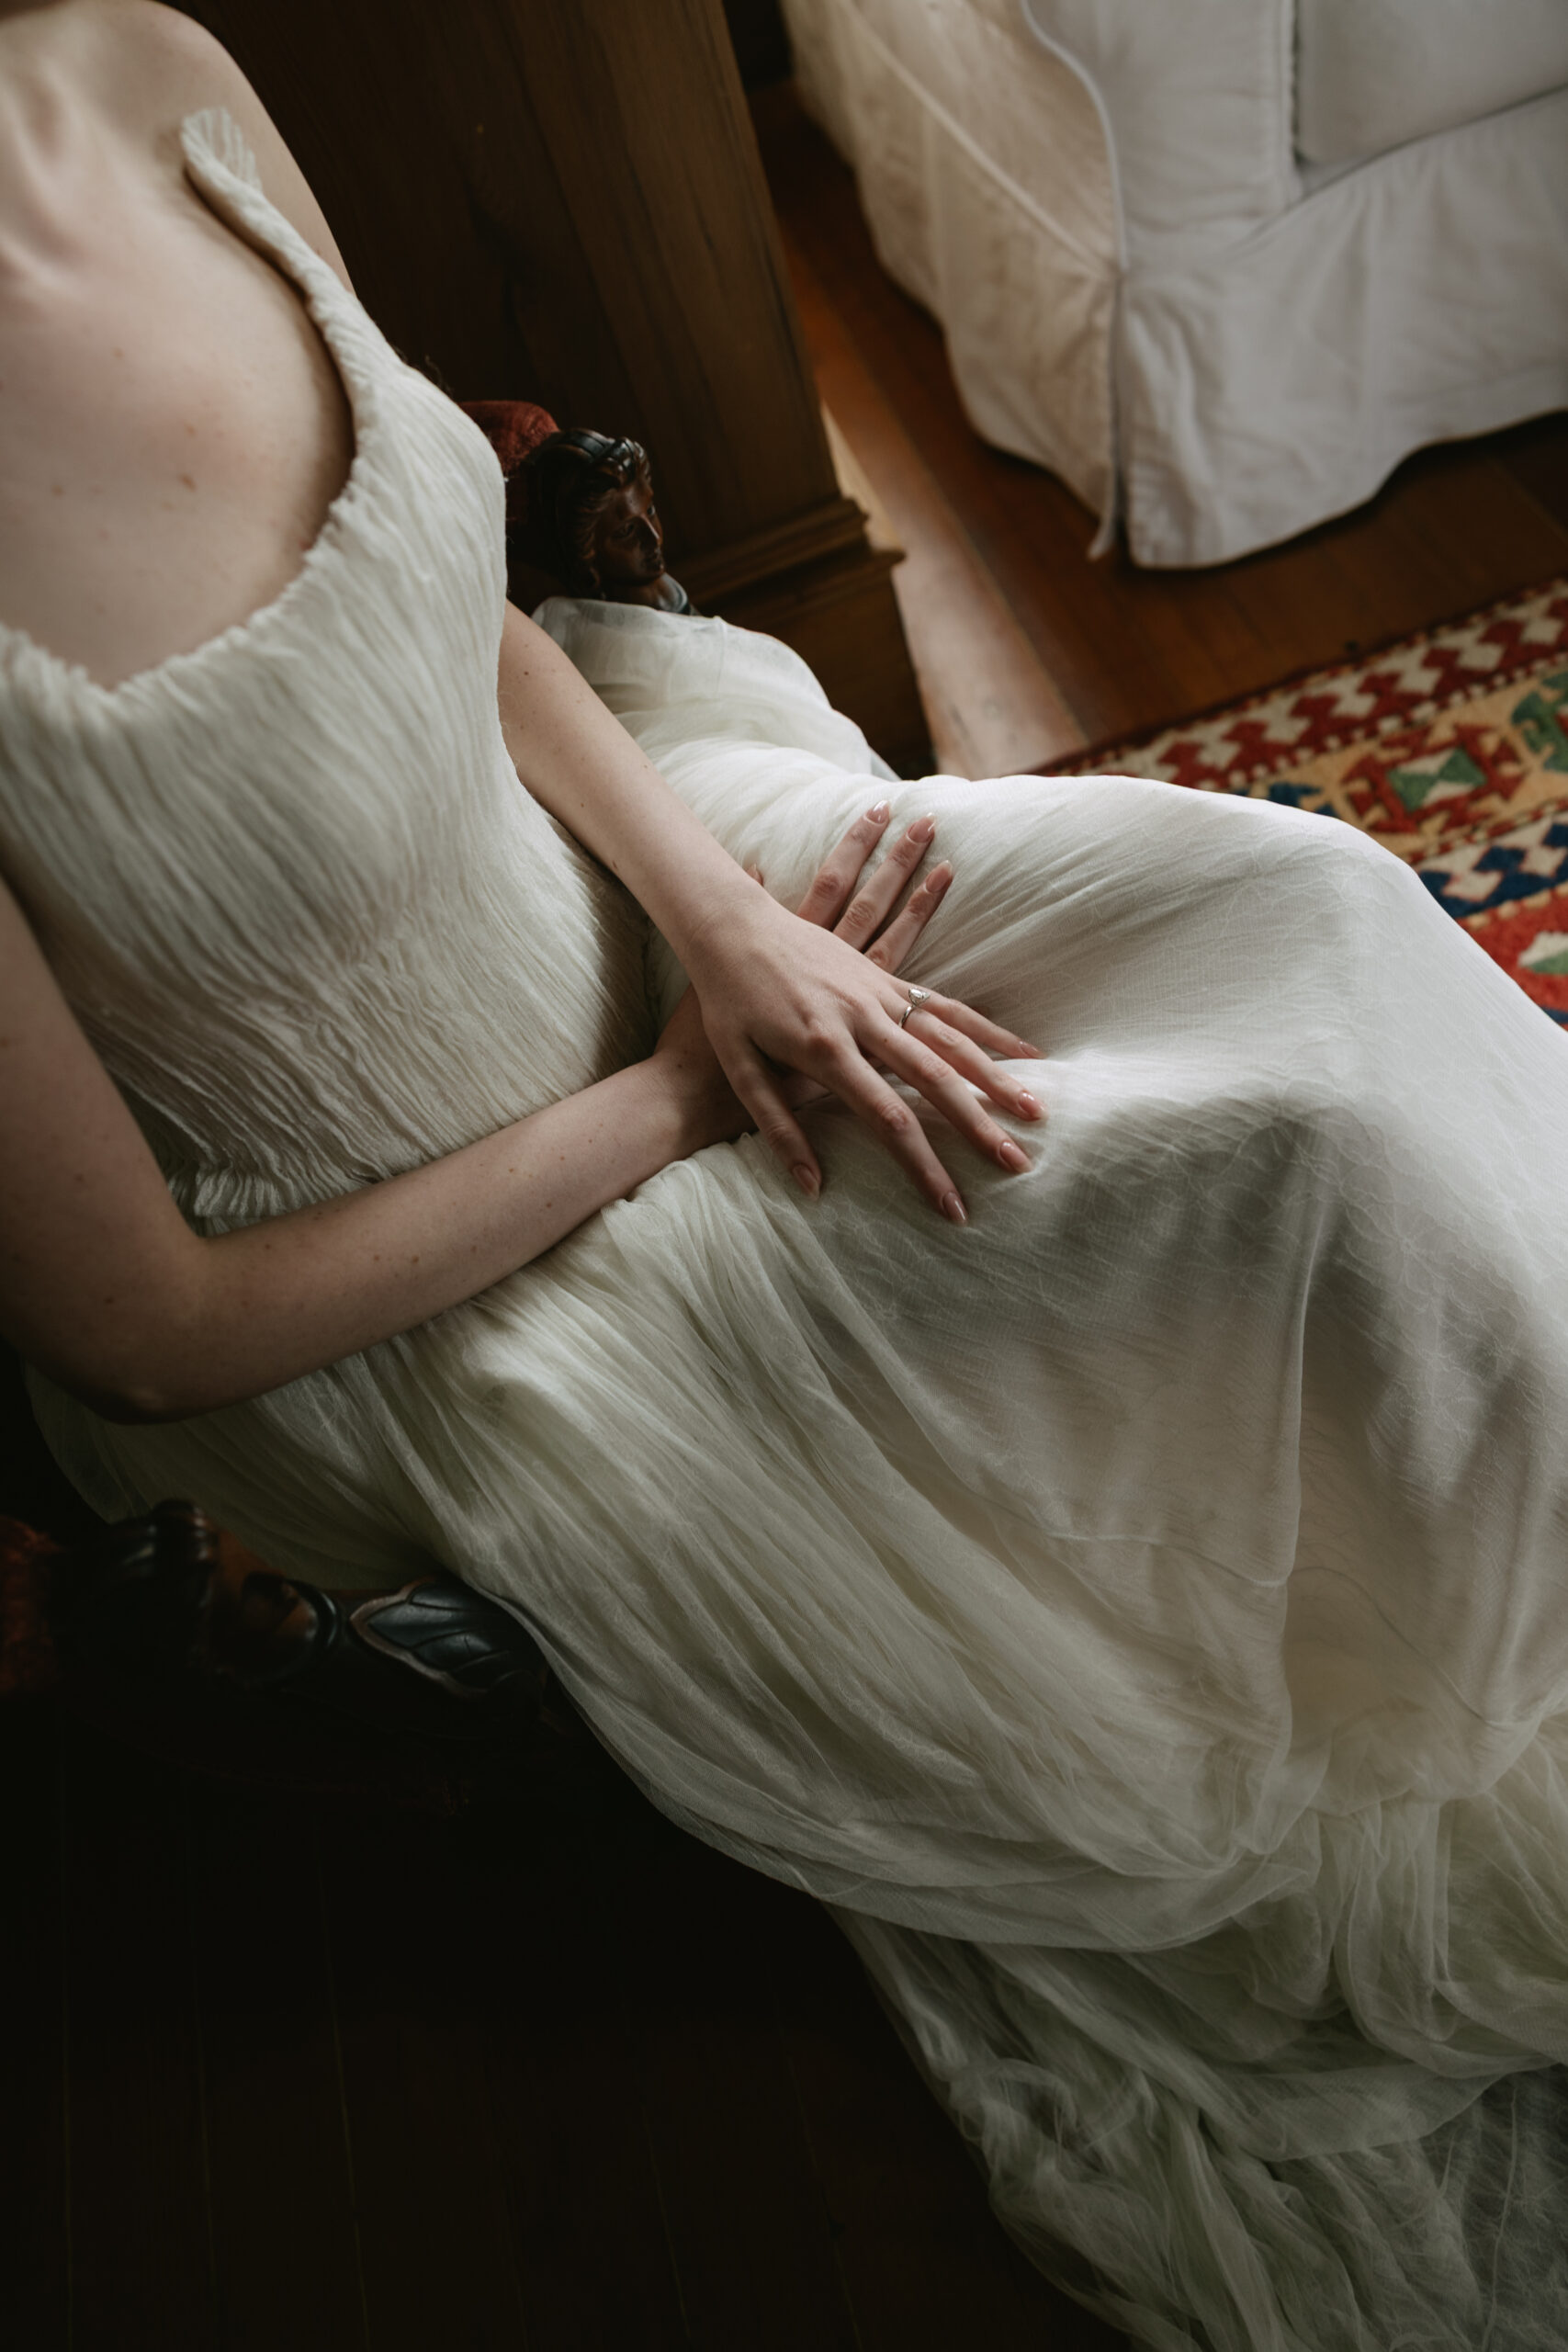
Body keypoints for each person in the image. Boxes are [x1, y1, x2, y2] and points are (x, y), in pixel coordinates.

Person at [4, 8, 1568, 2347]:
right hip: (416, 1258)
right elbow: (143, 1330)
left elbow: (462, 614)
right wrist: (661, 1099)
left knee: (1316, 932)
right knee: (1269, 1177)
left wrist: (733, 932)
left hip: (626, 876)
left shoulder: (138, 66)